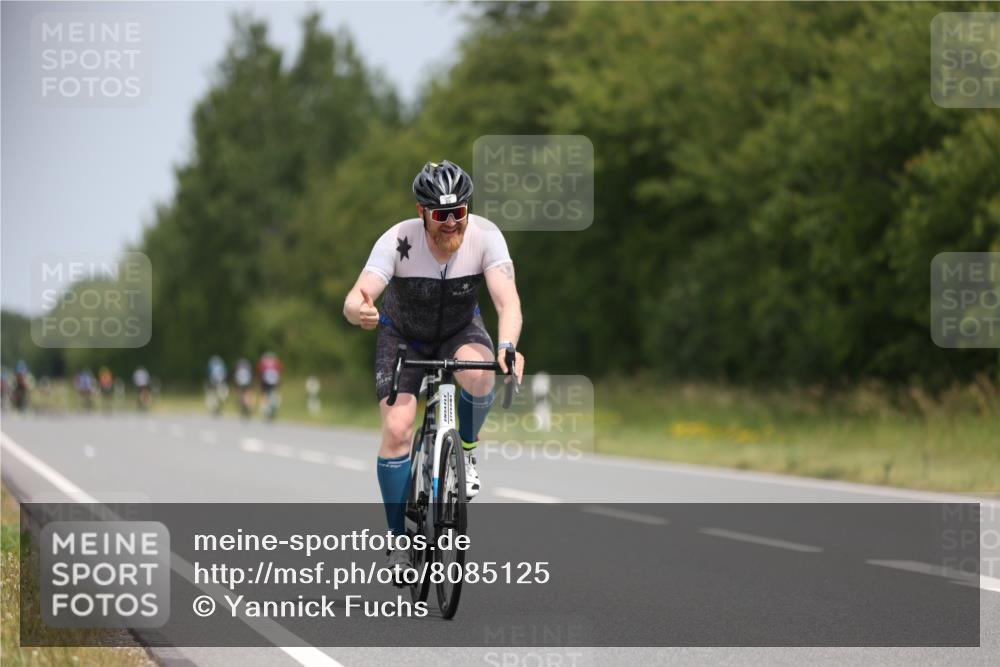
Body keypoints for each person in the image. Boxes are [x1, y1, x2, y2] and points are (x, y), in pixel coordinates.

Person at [343, 160, 525, 579]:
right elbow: (357, 296)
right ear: (422, 212)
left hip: (459, 330)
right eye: (441, 215)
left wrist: (507, 346)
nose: (451, 223)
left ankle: (468, 451)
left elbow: (507, 301)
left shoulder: (486, 236)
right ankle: (397, 541)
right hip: (403, 335)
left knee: (481, 374)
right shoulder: (398, 240)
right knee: (397, 430)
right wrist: (359, 311)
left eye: (458, 212)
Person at [257, 351, 283, 420]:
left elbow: (260, 371)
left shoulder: (263, 362)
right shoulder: (276, 362)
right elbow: (280, 372)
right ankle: (273, 408)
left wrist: (259, 381)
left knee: (264, 395)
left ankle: (264, 409)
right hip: (274, 381)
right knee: (274, 394)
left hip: (265, 381)